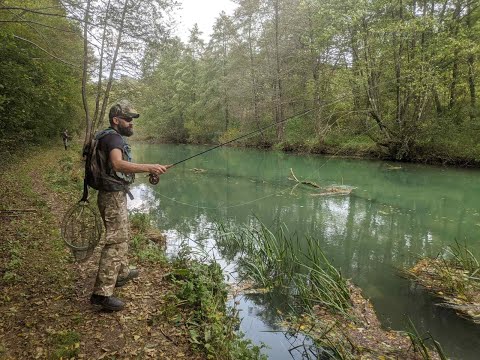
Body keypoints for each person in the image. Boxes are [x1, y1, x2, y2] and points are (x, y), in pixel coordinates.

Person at [89, 100, 168, 311]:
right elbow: (117, 164)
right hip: (112, 196)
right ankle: (102, 294)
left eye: (132, 119)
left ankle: (121, 273)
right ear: (116, 120)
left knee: (122, 234)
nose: (131, 123)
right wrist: (149, 167)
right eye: (128, 119)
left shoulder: (105, 135)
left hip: (111, 194)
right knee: (116, 241)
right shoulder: (114, 138)